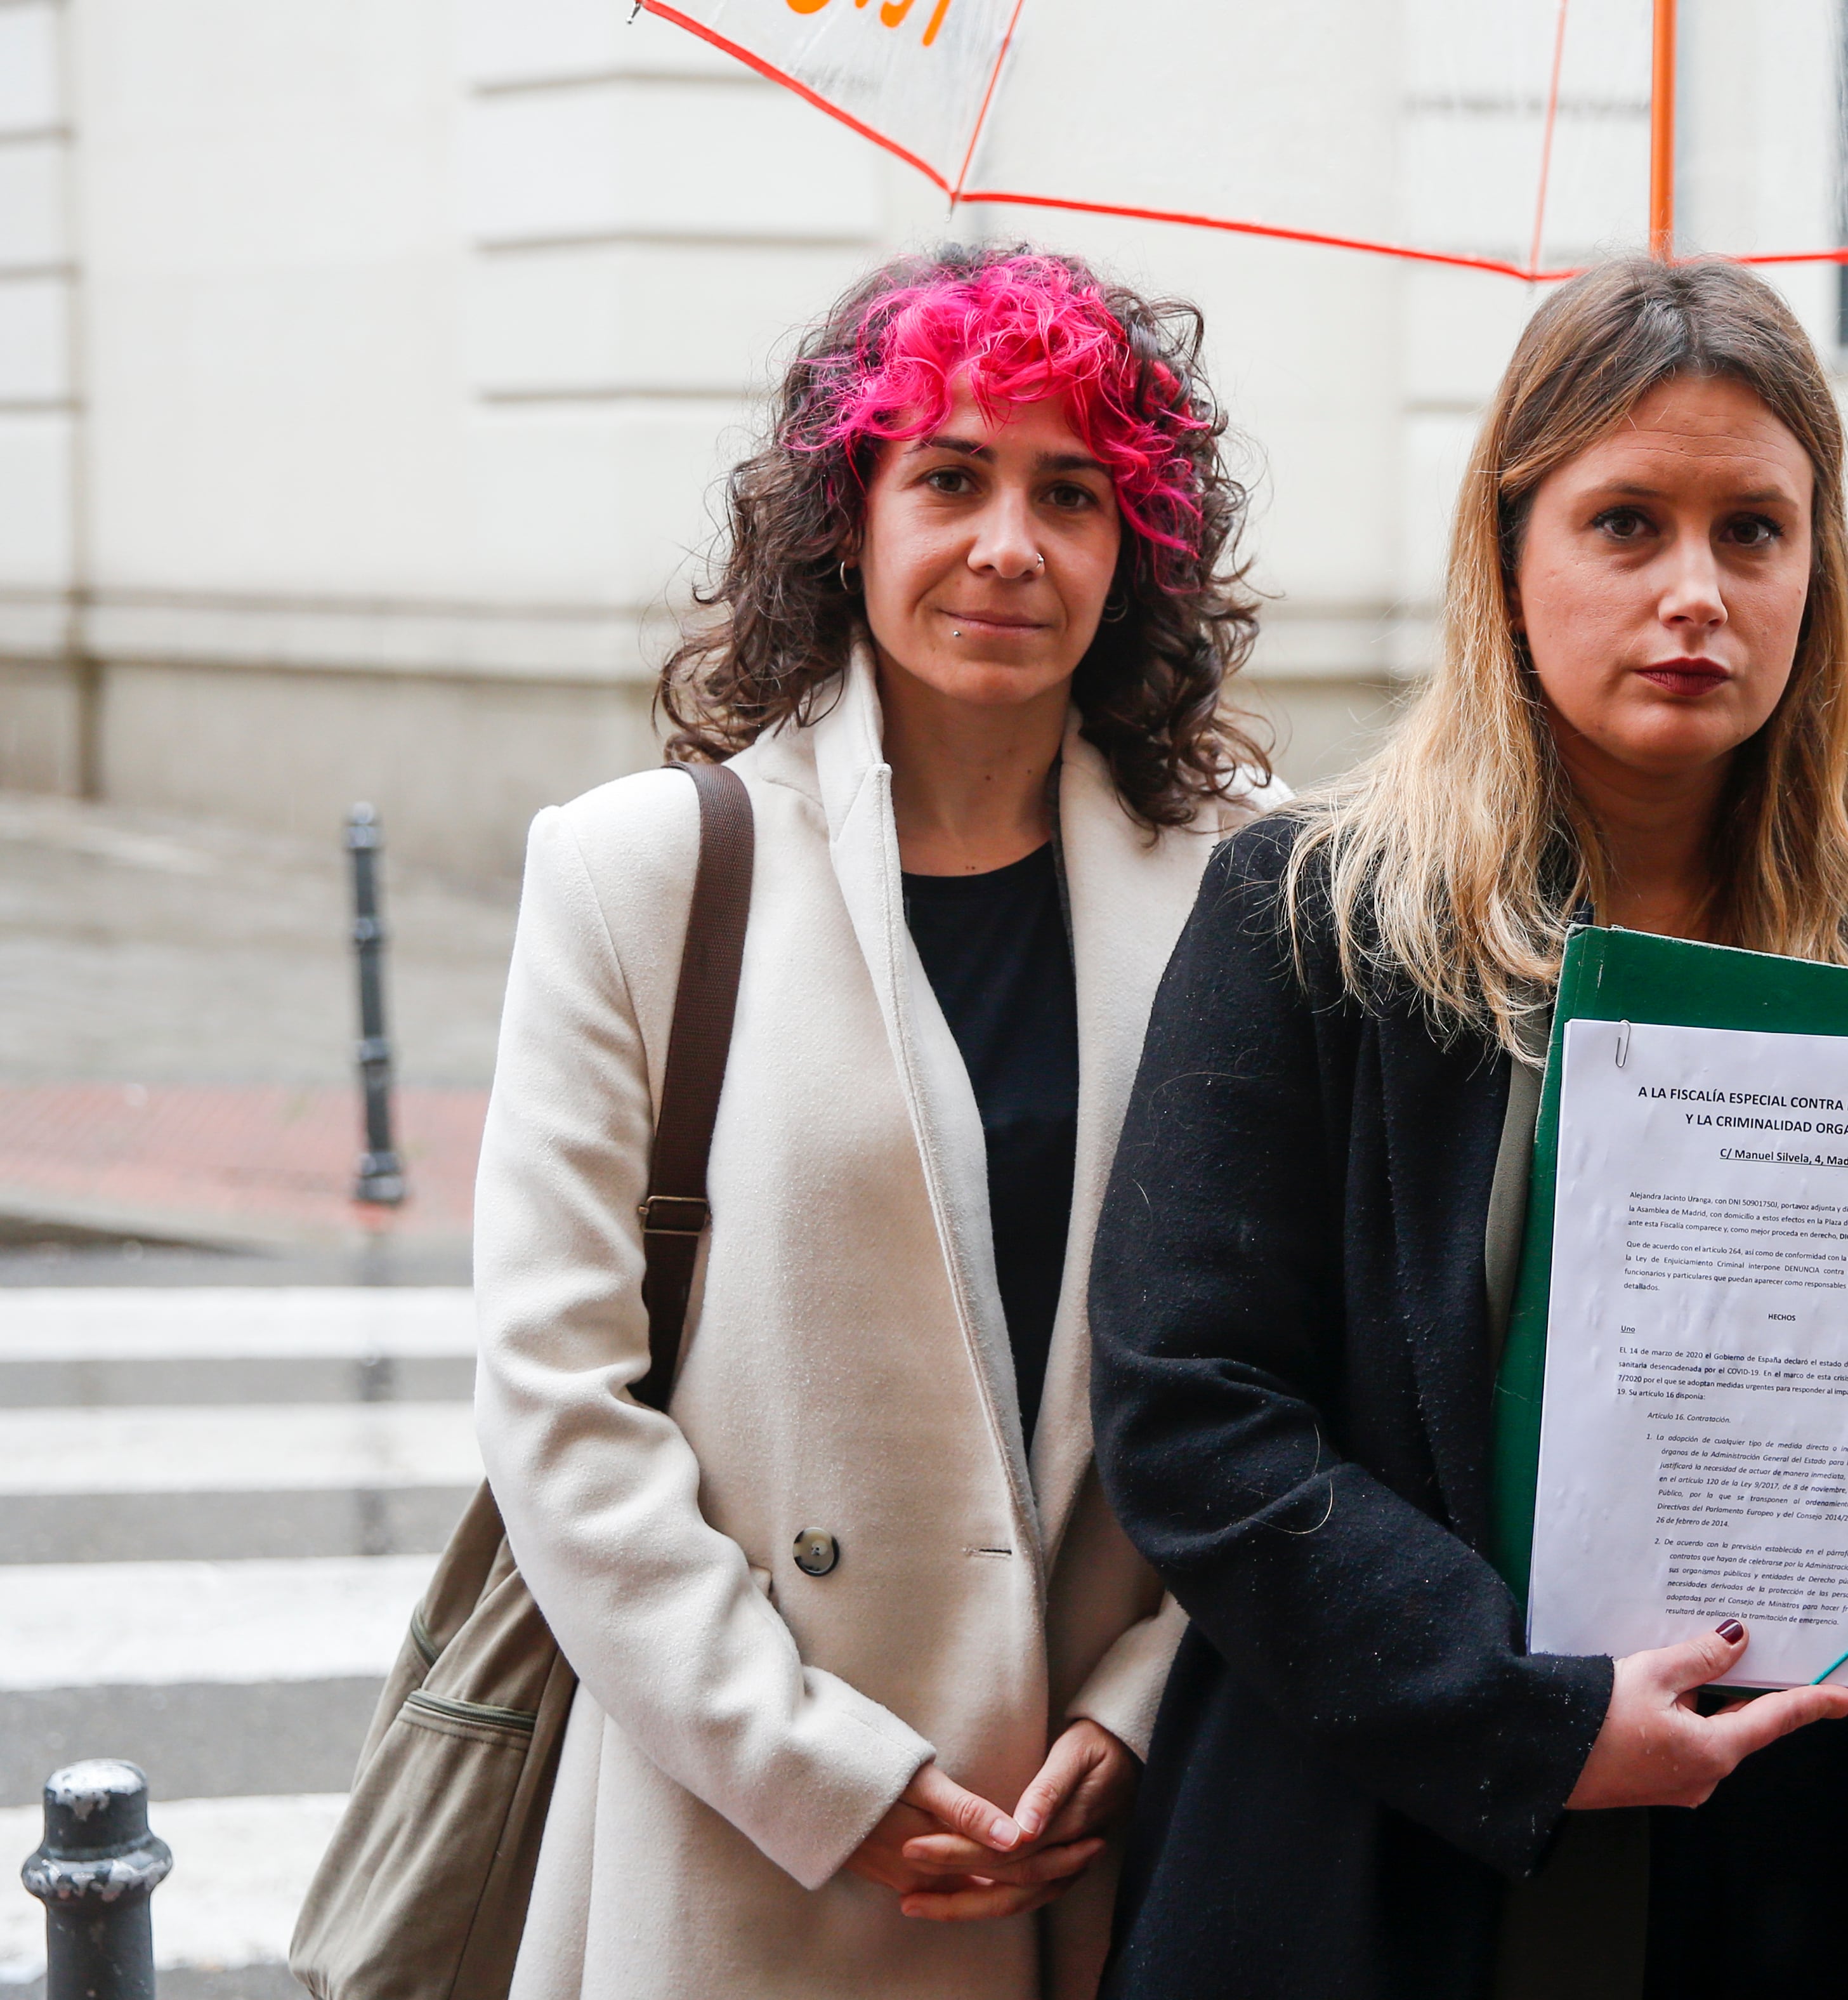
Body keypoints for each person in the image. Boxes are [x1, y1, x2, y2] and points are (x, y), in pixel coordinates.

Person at [1075, 256, 1848, 2000]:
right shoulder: (1314, 915)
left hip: (1810, 1858)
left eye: (1752, 532)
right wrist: (1527, 1712)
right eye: (1625, 523)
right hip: (1393, 1855)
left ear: (1817, 570)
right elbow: (1191, 1414)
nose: (1696, 593)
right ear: (1509, 551)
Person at [471, 243, 1278, 1999]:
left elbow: (1299, 1365)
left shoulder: (1242, 886)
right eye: (950, 478)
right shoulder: (643, 874)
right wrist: (821, 1768)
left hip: (1100, 1839)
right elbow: (557, 1402)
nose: (1008, 545)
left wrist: (1141, 1711)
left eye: (1072, 492)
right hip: (740, 1834)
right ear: (848, 516)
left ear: (1131, 545)